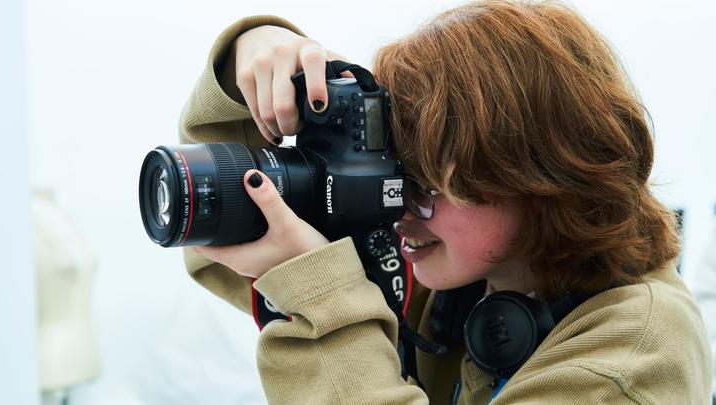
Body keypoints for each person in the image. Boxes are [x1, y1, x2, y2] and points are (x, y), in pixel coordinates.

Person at [180, 1, 712, 403]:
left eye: (429, 182)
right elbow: (219, 240)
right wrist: (247, 58)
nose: (400, 207)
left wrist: (324, 298)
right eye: (396, 170)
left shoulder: (629, 362)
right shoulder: (466, 272)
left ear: (542, 173)